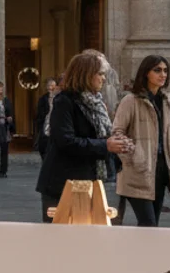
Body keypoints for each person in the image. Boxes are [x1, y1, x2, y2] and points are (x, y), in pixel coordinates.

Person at [36, 53, 131, 222]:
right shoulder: (64, 101)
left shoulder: (96, 101)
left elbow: (102, 134)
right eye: (100, 74)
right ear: (86, 74)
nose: (103, 78)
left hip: (92, 179)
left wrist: (119, 142)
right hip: (64, 182)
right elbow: (65, 141)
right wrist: (106, 145)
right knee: (61, 238)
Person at [111, 56, 170, 227]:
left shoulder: (167, 101)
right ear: (145, 73)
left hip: (161, 169)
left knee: (152, 225)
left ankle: (145, 253)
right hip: (138, 170)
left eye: (165, 70)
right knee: (148, 223)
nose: (162, 74)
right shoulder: (131, 100)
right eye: (157, 70)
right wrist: (134, 156)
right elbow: (117, 132)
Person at [34, 77, 58, 157]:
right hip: (45, 125)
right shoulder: (43, 98)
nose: (51, 88)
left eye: (52, 86)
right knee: (44, 147)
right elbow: (39, 113)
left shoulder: (60, 97)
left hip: (56, 125)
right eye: (49, 86)